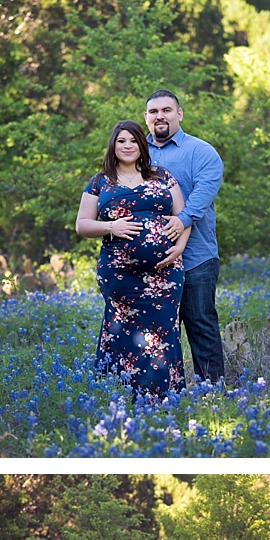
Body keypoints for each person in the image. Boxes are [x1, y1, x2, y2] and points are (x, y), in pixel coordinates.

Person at [75, 119, 189, 398]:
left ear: (142, 144)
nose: (128, 146)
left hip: (165, 272)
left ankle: (164, 397)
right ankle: (122, 395)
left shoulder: (162, 176)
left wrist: (180, 248)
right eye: (121, 141)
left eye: (133, 140)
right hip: (119, 274)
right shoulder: (100, 181)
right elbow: (82, 225)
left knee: (163, 330)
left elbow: (183, 217)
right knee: (123, 330)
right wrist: (112, 226)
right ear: (113, 146)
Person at [145, 89, 226, 384]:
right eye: (153, 112)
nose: (160, 116)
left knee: (200, 324)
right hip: (149, 261)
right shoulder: (135, 151)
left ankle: (212, 392)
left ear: (179, 114)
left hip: (196, 257)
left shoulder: (201, 152)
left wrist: (180, 222)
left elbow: (200, 201)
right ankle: (161, 392)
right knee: (156, 331)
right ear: (146, 117)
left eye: (166, 110)